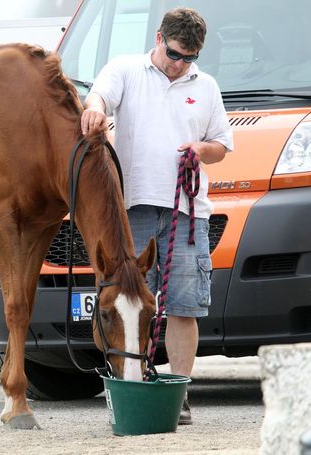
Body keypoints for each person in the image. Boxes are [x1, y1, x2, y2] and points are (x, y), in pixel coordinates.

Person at [81, 7, 233, 425]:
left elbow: (221, 144)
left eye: (189, 58)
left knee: (184, 306)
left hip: (187, 213)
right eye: (175, 54)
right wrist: (93, 110)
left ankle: (179, 390)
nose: (181, 64)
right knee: (132, 302)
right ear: (159, 38)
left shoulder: (206, 86)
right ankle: (136, 379)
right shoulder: (125, 69)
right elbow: (99, 95)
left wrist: (201, 151)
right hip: (134, 210)